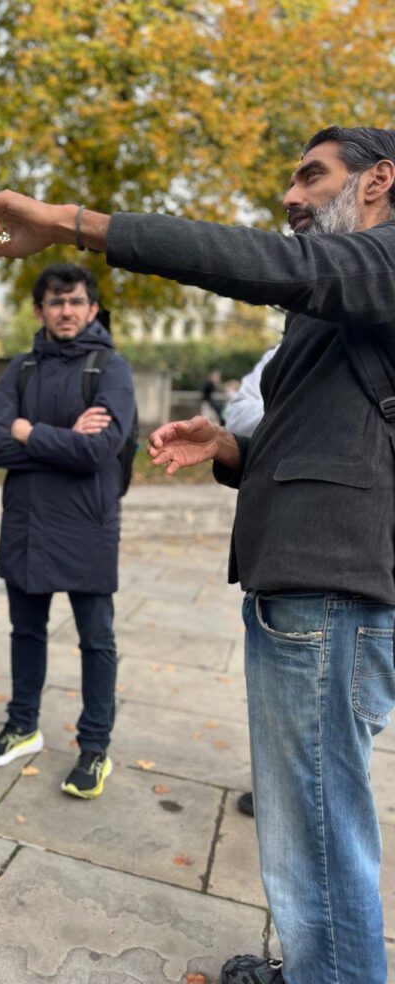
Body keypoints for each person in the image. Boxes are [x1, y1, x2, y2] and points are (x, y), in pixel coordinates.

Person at [0, 124, 395, 984]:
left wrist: (76, 223)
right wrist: (231, 449)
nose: (290, 198)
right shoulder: (348, 311)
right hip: (306, 579)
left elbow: (270, 265)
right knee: (305, 822)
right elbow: (348, 444)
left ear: (378, 183)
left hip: (334, 588)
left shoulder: (379, 263)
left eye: (311, 176)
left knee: (320, 824)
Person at [0, 263, 136, 800]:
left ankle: (94, 748)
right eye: (55, 302)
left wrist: (31, 433)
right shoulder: (19, 370)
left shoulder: (110, 369)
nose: (65, 311)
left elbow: (97, 451)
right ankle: (23, 726)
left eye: (76, 302)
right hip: (26, 525)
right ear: (40, 310)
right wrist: (57, 437)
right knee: (26, 633)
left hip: (88, 525)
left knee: (96, 640)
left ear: (91, 309)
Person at [223, 343, 280, 820]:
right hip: (273, 555)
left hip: (343, 564)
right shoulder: (285, 347)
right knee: (279, 705)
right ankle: (278, 788)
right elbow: (238, 412)